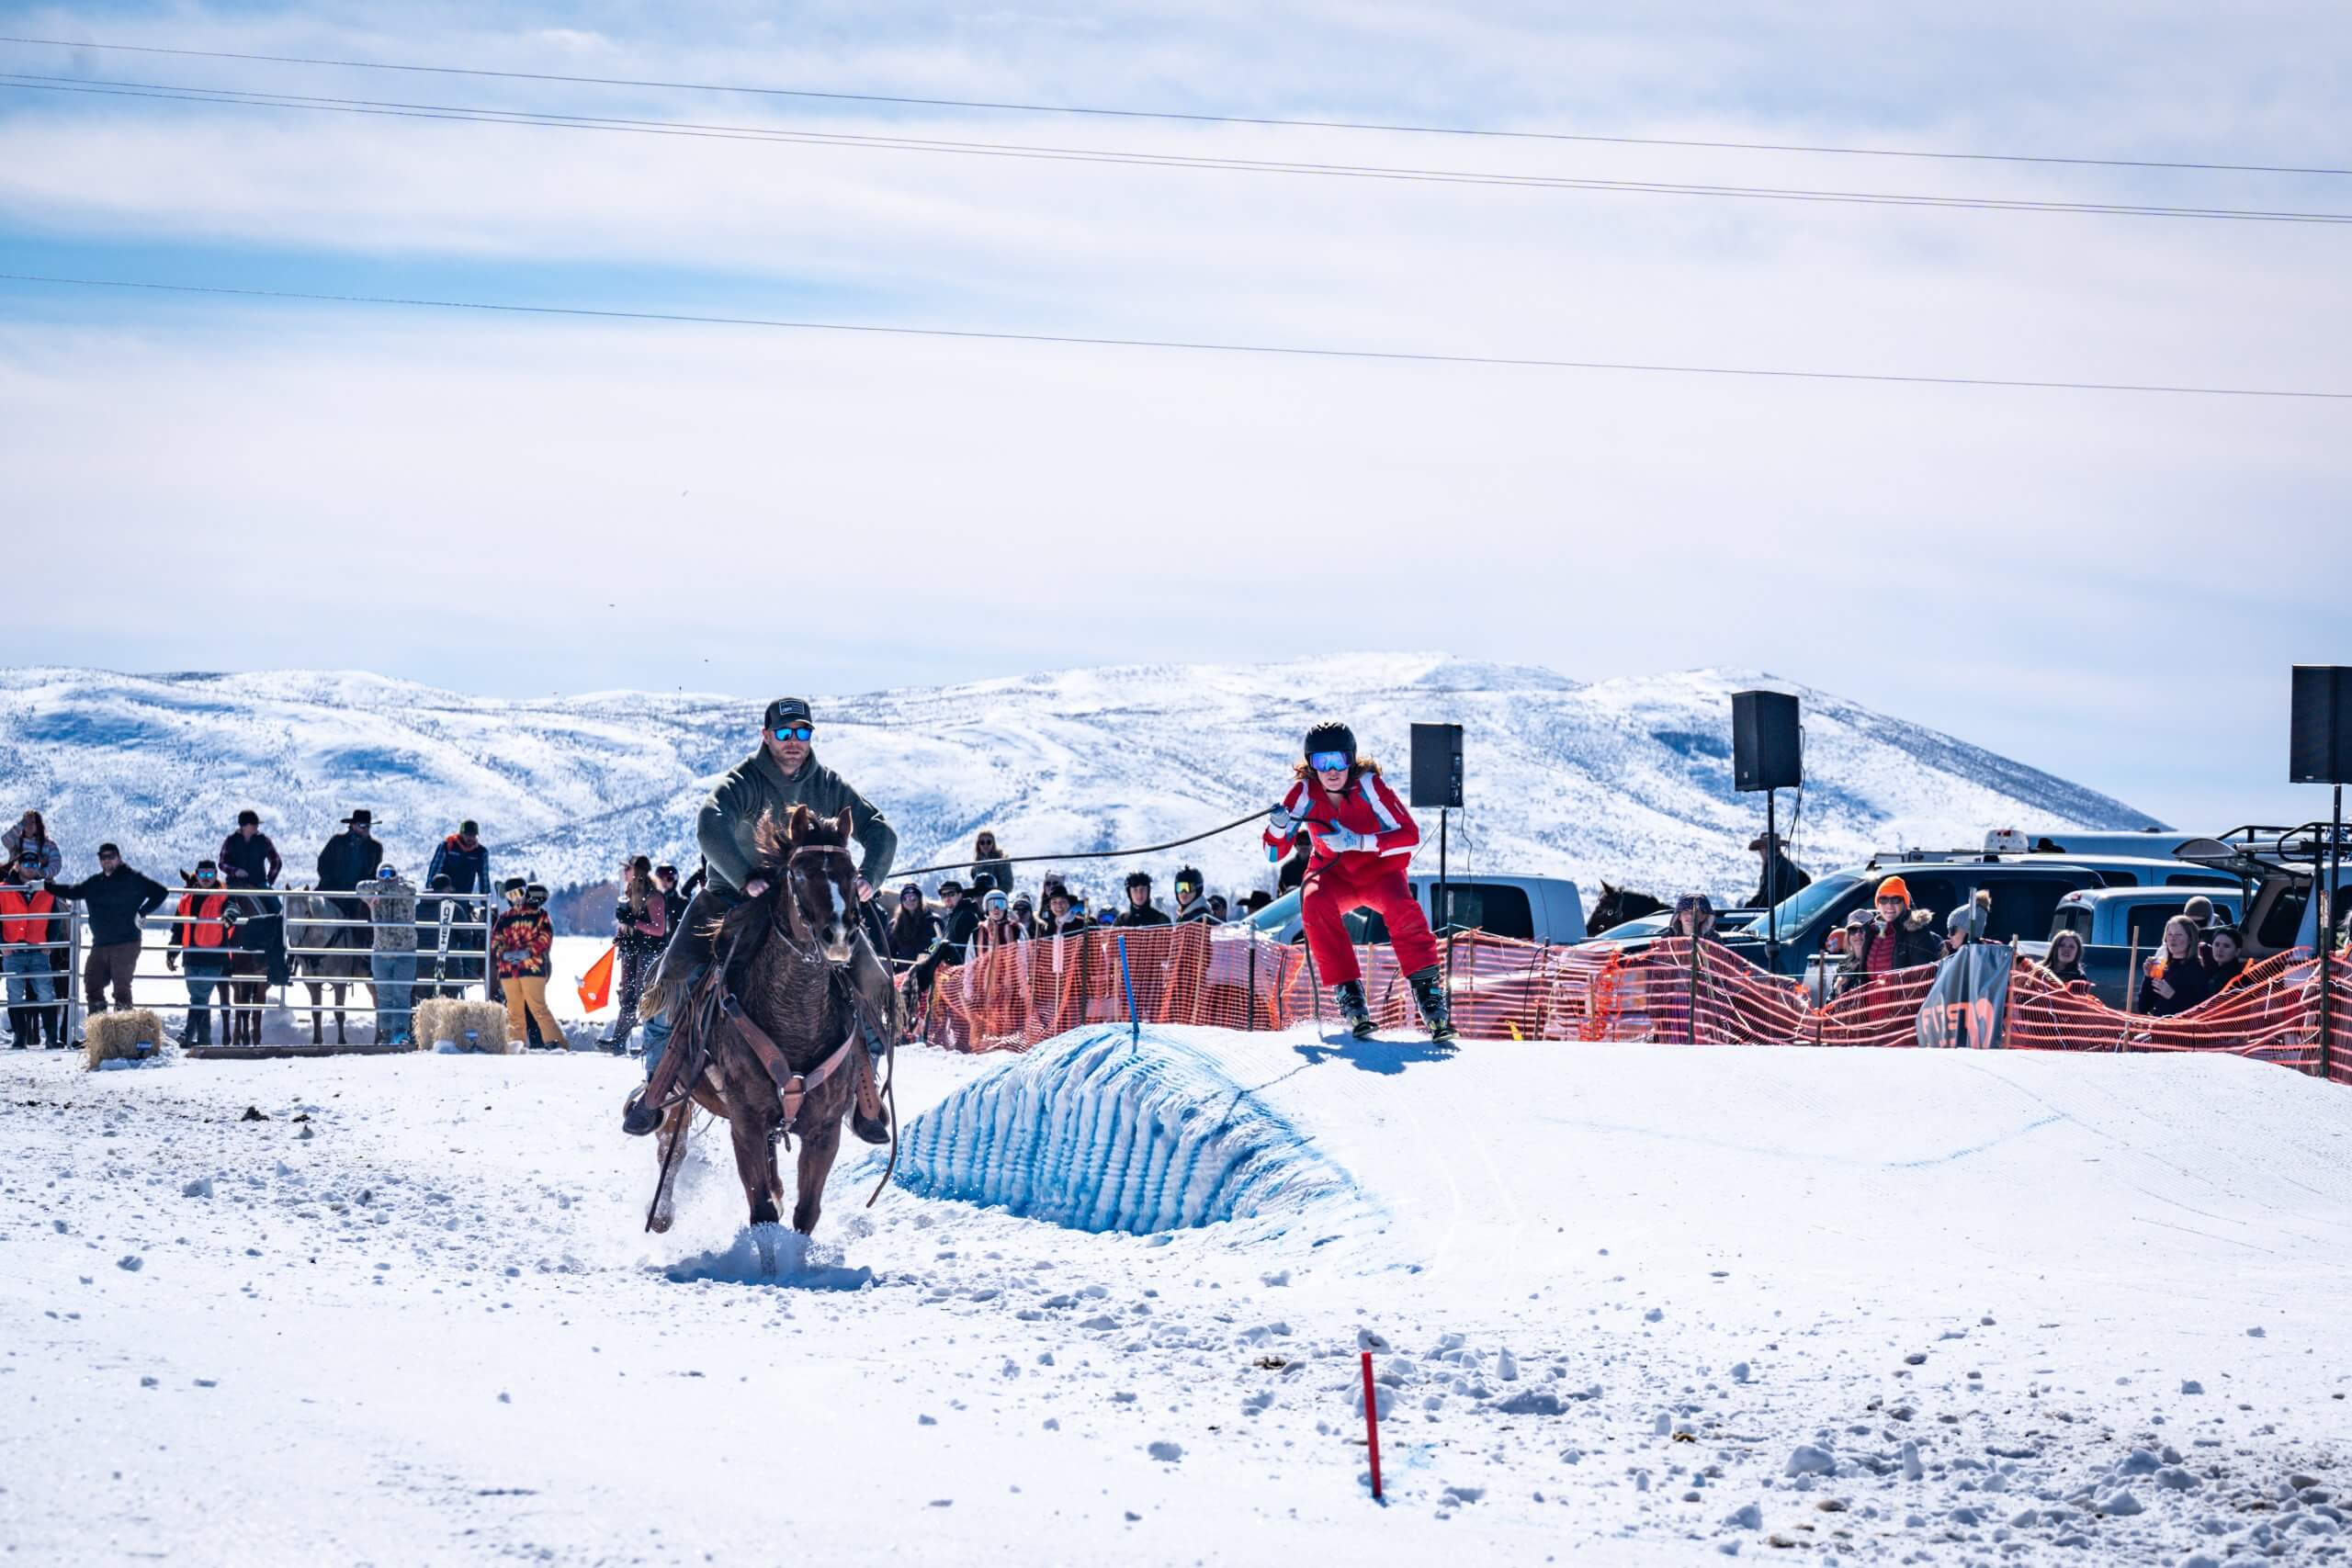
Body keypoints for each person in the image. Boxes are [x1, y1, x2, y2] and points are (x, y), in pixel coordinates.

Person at [625, 697, 898, 1134]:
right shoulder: (744, 781)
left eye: (802, 733)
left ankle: (862, 1097)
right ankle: (657, 1089)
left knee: (873, 983)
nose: (794, 742)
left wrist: (869, 877)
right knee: (671, 978)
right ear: (766, 735)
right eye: (785, 733)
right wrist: (743, 875)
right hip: (728, 900)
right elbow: (709, 824)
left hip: (806, 909)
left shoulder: (828, 784)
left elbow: (879, 829)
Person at [1263, 721, 1453, 1043]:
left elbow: (1410, 835)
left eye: (1339, 760)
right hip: (1333, 874)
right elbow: (1272, 854)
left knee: (1401, 906)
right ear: (1311, 764)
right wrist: (1279, 828)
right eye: (1323, 763)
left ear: (1351, 760)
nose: (1332, 770)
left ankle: (1429, 993)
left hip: (1378, 871)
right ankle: (1349, 992)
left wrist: (1358, 841)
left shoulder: (1369, 786)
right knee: (1314, 901)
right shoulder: (1303, 793)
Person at [49, 844, 168, 1022]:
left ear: (119, 857)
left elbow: (160, 892)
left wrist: (142, 912)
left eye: (110, 856)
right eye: (103, 857)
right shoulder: (95, 883)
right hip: (100, 943)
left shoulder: (133, 878)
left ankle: (123, 1034)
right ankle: (100, 1033)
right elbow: (73, 892)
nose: (107, 860)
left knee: (121, 988)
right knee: (92, 983)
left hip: (126, 943)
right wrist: (46, 887)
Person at [165, 861, 241, 1046]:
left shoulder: (223, 896)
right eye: (202, 875)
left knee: (200, 997)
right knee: (199, 998)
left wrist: (229, 916)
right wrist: (172, 951)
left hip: (213, 956)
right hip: (191, 956)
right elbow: (178, 928)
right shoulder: (186, 899)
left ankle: (187, 1034)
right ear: (197, 876)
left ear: (216, 875)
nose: (206, 879)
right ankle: (205, 1041)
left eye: (210, 875)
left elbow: (233, 907)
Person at [1832, 876, 1943, 996]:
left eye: (1896, 900)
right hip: (1870, 1011)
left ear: (1905, 903)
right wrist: (1845, 985)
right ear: (1877, 904)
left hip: (1903, 1012)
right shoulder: (1870, 932)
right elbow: (1863, 976)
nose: (1889, 905)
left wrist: (1902, 1008)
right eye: (1883, 900)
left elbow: (1926, 980)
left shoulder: (1916, 933)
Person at [492, 877, 566, 1050]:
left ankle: (551, 1043)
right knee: (514, 1012)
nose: (516, 898)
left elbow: (545, 937)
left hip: (533, 968)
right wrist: (504, 953)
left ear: (526, 893)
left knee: (537, 1008)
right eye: (511, 895)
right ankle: (516, 1044)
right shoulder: (504, 918)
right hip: (509, 971)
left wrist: (528, 952)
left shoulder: (538, 915)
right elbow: (496, 939)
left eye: (519, 893)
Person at [603, 855, 669, 1052]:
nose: (624, 872)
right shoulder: (630, 894)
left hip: (649, 952)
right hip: (632, 950)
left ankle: (651, 1045)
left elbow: (658, 929)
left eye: (628, 868)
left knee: (645, 996)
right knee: (628, 996)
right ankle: (619, 1041)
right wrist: (621, 934)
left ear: (637, 871)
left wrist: (633, 922)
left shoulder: (654, 897)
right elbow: (630, 924)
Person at [218, 808, 289, 986]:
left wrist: (268, 881)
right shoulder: (231, 841)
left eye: (257, 824)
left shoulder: (263, 841)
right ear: (244, 826)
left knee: (280, 914)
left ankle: (281, 964)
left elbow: (276, 861)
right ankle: (218, 957)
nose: (256, 827)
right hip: (234, 885)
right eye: (253, 824)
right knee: (218, 910)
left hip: (258, 884)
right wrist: (235, 871)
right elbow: (222, 863)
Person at [1, 855, 60, 1048]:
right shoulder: (3, 889)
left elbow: (56, 918)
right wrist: (2, 943)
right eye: (26, 864)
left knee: (45, 992)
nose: (30, 868)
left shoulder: (47, 890)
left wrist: (50, 942)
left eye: (34, 864)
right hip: (13, 949)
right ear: (17, 866)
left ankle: (51, 1039)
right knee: (15, 993)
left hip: (38, 949)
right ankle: (19, 1039)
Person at [426, 820, 492, 987]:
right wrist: (430, 893)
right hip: (441, 896)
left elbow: (484, 876)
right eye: (467, 835)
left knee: (467, 933)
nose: (470, 839)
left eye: (473, 835)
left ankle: (469, 970)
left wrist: (485, 901)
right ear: (461, 833)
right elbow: (434, 869)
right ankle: (428, 965)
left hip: (463, 899)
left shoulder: (480, 852)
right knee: (432, 931)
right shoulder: (447, 846)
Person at [357, 863, 417, 1046]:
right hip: (381, 952)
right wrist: (381, 888)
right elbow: (360, 888)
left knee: (401, 993)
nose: (387, 877)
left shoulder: (405, 890)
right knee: (383, 994)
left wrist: (389, 887)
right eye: (383, 874)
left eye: (391, 873)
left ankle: (401, 1033)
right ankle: (386, 1033)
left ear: (397, 875)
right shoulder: (374, 894)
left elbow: (411, 888)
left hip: (405, 952)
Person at [316, 809, 384, 931]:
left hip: (359, 898)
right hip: (332, 893)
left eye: (368, 826)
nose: (366, 829)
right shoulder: (337, 842)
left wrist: (365, 891)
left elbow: (374, 874)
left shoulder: (375, 848)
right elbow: (323, 864)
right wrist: (331, 884)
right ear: (353, 825)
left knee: (368, 927)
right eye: (362, 825)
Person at [2137, 914, 2215, 1017]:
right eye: (2169, 934)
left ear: (2190, 939)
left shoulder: (2197, 969)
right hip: (2159, 1028)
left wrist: (2173, 996)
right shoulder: (2164, 967)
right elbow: (2144, 1007)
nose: (2173, 939)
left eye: (2179, 935)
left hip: (2181, 1031)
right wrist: (2148, 977)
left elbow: (2201, 1009)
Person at [1747, 833, 1812, 910]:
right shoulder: (1786, 864)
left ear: (1765, 849)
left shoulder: (1773, 866)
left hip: (1780, 914)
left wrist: (1747, 908)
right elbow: (1805, 880)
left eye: (1761, 849)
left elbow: (1765, 897)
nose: (1760, 853)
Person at [888, 884, 940, 965]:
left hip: (927, 969)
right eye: (905, 898)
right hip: (903, 970)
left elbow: (940, 946)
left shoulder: (933, 921)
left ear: (919, 900)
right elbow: (889, 950)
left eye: (913, 898)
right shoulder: (895, 924)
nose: (909, 901)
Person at [970, 887, 1023, 956]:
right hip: (984, 967)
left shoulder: (1016, 930)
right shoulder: (977, 933)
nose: (996, 909)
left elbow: (1024, 955)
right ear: (986, 908)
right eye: (992, 905)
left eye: (1001, 904)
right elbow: (970, 958)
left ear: (1006, 908)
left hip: (1012, 966)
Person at [935, 879, 980, 959]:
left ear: (960, 895)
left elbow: (965, 951)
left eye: (951, 894)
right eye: (944, 895)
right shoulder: (953, 916)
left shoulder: (966, 916)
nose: (947, 898)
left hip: (963, 968)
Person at [970, 831, 1013, 907]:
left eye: (989, 842)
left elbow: (1007, 885)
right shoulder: (976, 864)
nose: (985, 845)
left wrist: (992, 894)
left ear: (993, 844)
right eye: (982, 842)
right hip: (980, 901)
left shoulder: (1001, 861)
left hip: (997, 900)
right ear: (978, 845)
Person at [2205, 925, 2247, 991]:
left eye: (2226, 946)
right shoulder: (2213, 969)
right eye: (2217, 944)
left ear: (2237, 951)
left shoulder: (2234, 977)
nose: (2220, 950)